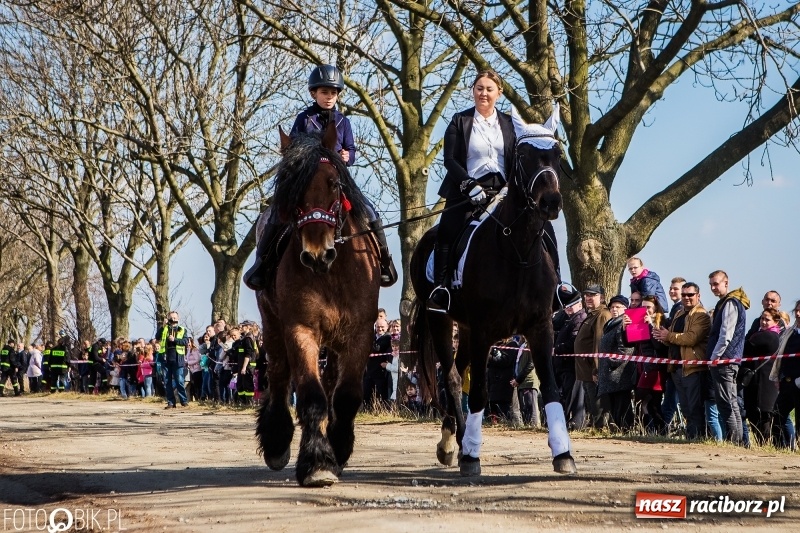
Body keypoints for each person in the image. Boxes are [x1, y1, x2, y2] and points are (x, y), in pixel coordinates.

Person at [244, 64, 397, 290]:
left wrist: (348, 156)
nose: (329, 97)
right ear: (313, 93)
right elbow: (294, 148)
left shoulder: (343, 122)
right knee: (277, 212)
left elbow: (351, 149)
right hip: (307, 179)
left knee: (369, 211)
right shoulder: (304, 119)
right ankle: (261, 263)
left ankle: (385, 262)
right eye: (324, 92)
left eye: (333, 93)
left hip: (337, 179)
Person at [427, 69, 560, 313]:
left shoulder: (511, 125)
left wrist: (512, 187)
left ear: (499, 93)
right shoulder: (460, 120)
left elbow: (520, 159)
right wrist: (469, 185)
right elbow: (450, 160)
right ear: (473, 91)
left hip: (504, 191)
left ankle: (559, 286)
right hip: (466, 191)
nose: (483, 93)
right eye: (479, 88)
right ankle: (442, 289)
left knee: (543, 225)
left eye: (489, 89)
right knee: (447, 231)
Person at [653, 282, 711, 440]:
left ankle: (698, 438)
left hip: (693, 368)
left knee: (694, 408)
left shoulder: (701, 315)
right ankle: (690, 437)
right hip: (677, 368)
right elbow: (671, 338)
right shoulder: (679, 313)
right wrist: (662, 336)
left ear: (698, 296)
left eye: (690, 295)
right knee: (685, 408)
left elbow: (692, 338)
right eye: (684, 295)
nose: (686, 298)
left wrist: (668, 336)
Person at [706, 270, 749, 445]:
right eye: (711, 285)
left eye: (716, 284)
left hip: (725, 360)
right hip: (729, 360)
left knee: (726, 403)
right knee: (731, 402)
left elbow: (726, 334)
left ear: (726, 283)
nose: (713, 288)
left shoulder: (730, 303)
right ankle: (738, 442)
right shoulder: (728, 303)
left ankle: (734, 441)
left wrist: (715, 357)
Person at [624, 296, 669, 434]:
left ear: (656, 307)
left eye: (648, 307)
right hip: (642, 367)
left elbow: (659, 346)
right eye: (643, 307)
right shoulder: (640, 320)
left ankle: (655, 430)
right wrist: (625, 328)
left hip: (655, 369)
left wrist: (650, 325)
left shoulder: (662, 321)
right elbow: (629, 343)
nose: (646, 310)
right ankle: (655, 431)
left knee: (643, 400)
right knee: (651, 403)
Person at [741, 308, 782, 446]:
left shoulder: (768, 336)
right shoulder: (774, 335)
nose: (763, 322)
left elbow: (746, 344)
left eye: (767, 319)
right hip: (760, 382)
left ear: (776, 321)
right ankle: (763, 444)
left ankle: (764, 445)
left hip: (764, 385)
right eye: (762, 319)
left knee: (762, 417)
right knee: (757, 416)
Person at [573, 284, 611, 429]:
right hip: (585, 369)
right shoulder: (592, 314)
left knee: (597, 402)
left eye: (592, 295)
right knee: (591, 401)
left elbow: (599, 343)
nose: (588, 298)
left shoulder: (602, 315)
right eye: (586, 295)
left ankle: (601, 428)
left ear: (601, 298)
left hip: (592, 369)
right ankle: (597, 426)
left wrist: (596, 369)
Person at [597, 295, 636, 432]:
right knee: (614, 406)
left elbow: (626, 348)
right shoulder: (610, 324)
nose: (614, 309)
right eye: (612, 307)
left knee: (622, 405)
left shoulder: (622, 324)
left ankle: (626, 430)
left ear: (625, 309)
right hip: (609, 374)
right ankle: (619, 430)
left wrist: (611, 363)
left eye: (618, 307)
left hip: (619, 374)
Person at [553, 285, 586, 426]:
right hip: (564, 365)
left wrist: (556, 349)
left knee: (573, 396)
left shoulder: (579, 319)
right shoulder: (570, 319)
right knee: (566, 394)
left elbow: (573, 342)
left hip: (571, 364)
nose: (568, 310)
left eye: (571, 306)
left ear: (579, 304)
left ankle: (575, 423)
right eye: (566, 307)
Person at [772, 300, 800, 450]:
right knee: (777, 413)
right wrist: (778, 376)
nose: (798, 314)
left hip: (798, 382)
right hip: (786, 382)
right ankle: (780, 447)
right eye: (796, 310)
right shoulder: (790, 332)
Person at [155, 310, 189, 408]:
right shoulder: (165, 329)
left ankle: (183, 401)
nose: (173, 319)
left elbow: (185, 341)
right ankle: (171, 402)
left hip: (178, 358)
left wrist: (175, 340)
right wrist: (163, 326)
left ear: (178, 318)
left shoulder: (182, 329)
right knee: (167, 381)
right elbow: (157, 337)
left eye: (175, 317)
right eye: (171, 317)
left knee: (179, 380)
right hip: (166, 358)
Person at [363, 318, 392, 409]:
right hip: (369, 370)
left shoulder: (387, 337)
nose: (380, 329)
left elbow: (378, 348)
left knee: (381, 393)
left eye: (382, 327)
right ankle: (366, 410)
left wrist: (367, 343)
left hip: (381, 371)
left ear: (387, 327)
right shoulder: (372, 337)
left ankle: (382, 410)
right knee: (366, 392)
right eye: (378, 327)